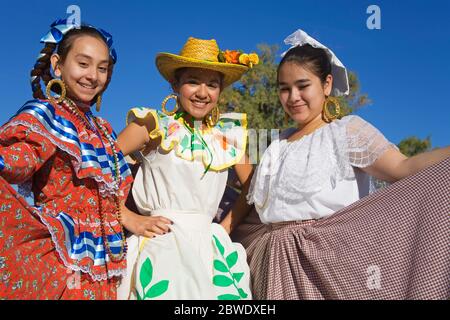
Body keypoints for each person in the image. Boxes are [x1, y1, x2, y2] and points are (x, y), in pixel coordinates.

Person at [222, 29, 450, 300]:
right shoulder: (276, 145)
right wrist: (217, 235)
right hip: (268, 265)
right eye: (284, 89)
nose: (293, 97)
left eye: (303, 86)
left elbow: (403, 169)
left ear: (326, 84)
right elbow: (248, 203)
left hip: (328, 264)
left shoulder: (347, 132)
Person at [0, 19, 133, 299]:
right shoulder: (47, 114)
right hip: (63, 254)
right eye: (83, 64)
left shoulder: (105, 130)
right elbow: (20, 157)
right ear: (58, 65)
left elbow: (114, 194)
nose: (93, 76)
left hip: (107, 259)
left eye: (102, 68)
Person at [116, 37, 258, 300]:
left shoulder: (227, 137)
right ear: (175, 84)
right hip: (161, 243)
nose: (203, 93)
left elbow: (254, 185)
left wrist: (225, 227)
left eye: (212, 84)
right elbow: (99, 163)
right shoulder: (153, 125)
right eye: (193, 81)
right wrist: (126, 217)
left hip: (209, 250)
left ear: (220, 90)